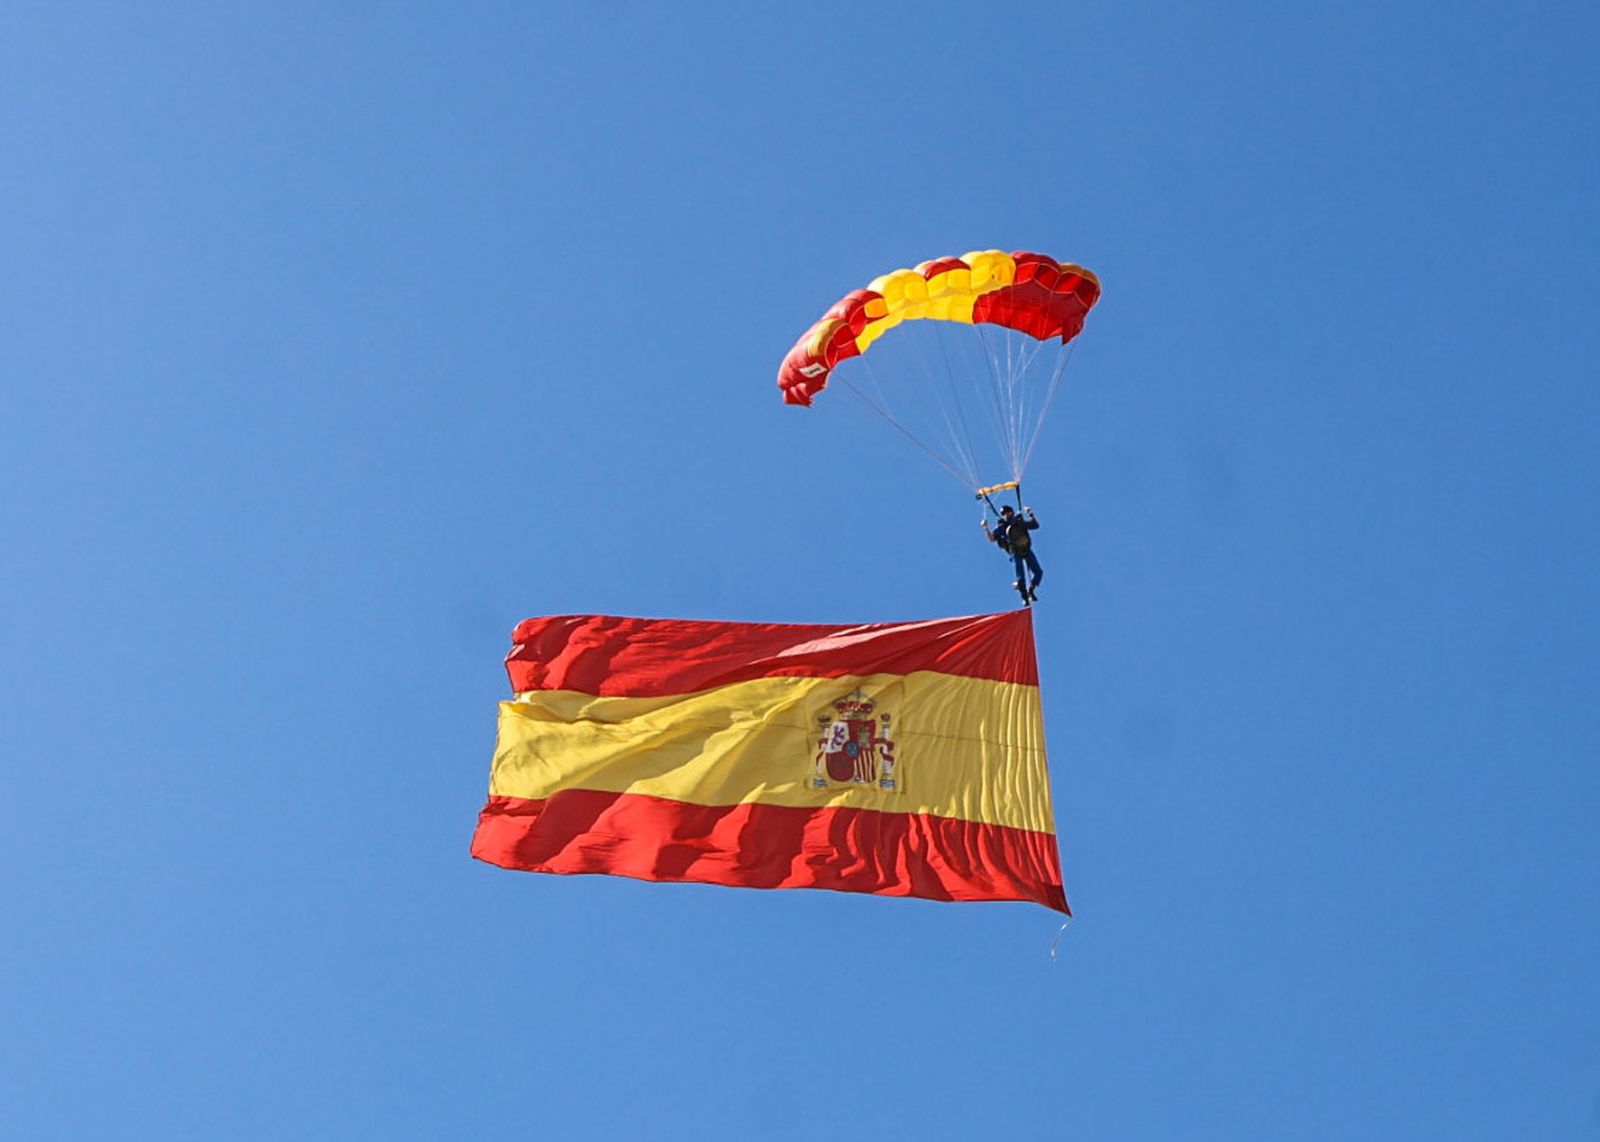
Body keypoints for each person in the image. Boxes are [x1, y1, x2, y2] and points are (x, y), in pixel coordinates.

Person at [982, 505, 1042, 602]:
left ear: (1011, 512)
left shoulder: (1019, 522)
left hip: (1026, 548)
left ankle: (1031, 589)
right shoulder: (1003, 526)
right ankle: (1024, 595)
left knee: (1038, 572)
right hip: (1015, 551)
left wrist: (1030, 514)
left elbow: (1035, 525)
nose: (1006, 515)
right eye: (1004, 514)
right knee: (1021, 575)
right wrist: (986, 528)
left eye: (1008, 512)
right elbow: (992, 538)